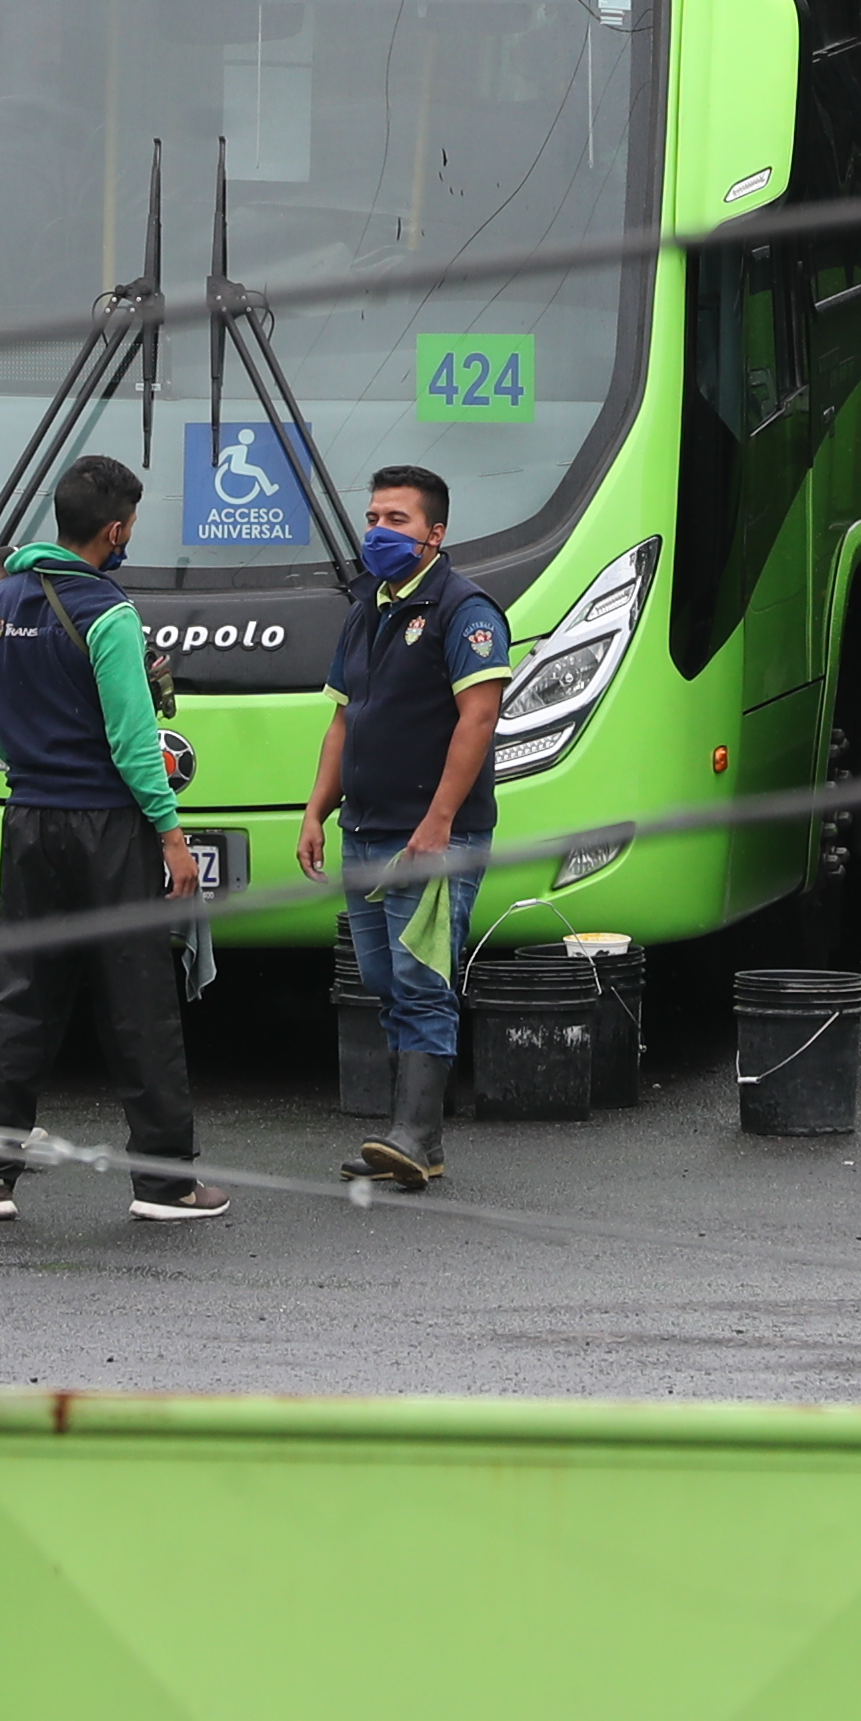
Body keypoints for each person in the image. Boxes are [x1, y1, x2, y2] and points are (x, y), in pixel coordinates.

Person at [0, 454, 226, 1225]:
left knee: (18, 997)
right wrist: (171, 837)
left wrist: (37, 766)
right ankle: (166, 1184)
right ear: (115, 529)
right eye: (131, 524)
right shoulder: (109, 613)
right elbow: (137, 743)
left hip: (29, 820)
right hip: (107, 826)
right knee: (137, 999)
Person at [297, 464, 514, 1192]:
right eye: (374, 519)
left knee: (420, 981)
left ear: (435, 534)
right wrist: (315, 811)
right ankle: (415, 1133)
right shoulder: (368, 610)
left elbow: (478, 718)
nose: (378, 532)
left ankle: (414, 1136)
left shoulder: (466, 609)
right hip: (365, 831)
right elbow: (342, 718)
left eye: (397, 521)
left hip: (429, 837)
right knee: (386, 980)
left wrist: (439, 822)